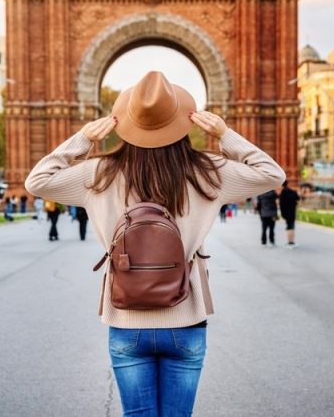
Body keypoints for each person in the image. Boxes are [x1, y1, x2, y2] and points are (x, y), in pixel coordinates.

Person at [24, 71, 285, 416]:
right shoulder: (208, 171)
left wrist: (83, 139)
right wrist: (225, 134)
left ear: (127, 122)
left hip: (126, 317)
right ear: (182, 122)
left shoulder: (97, 173)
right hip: (186, 317)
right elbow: (273, 174)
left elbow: (37, 181)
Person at [278, 180, 300, 248]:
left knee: (289, 226)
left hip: (286, 212)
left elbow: (281, 204)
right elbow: (298, 198)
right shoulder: (292, 191)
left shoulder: (282, 193)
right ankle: (291, 242)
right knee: (291, 226)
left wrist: (282, 213)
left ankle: (290, 242)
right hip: (292, 211)